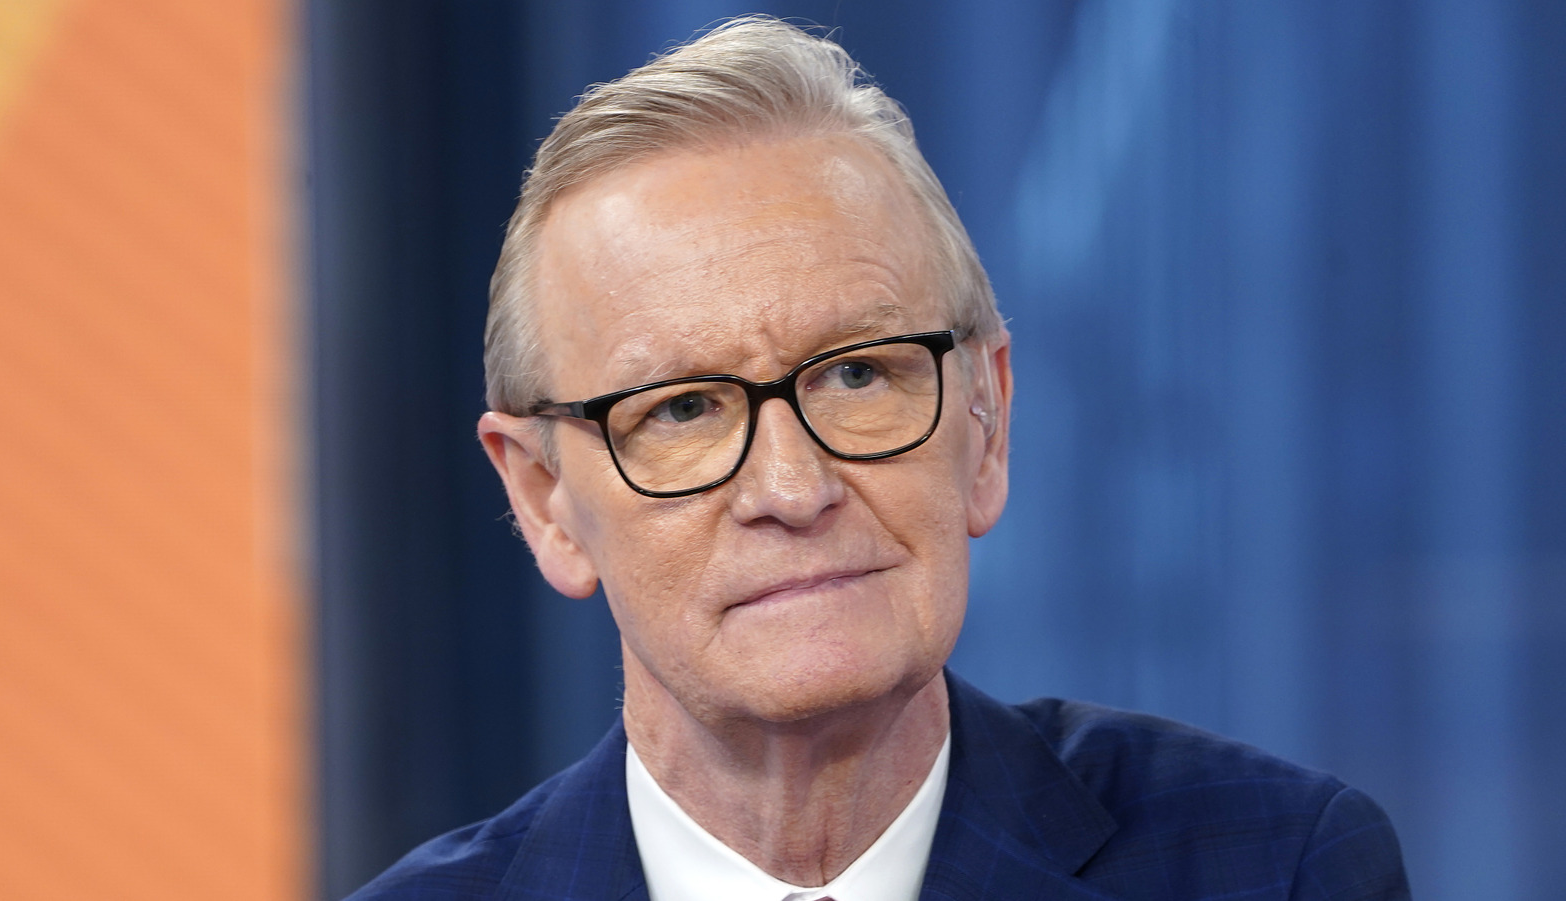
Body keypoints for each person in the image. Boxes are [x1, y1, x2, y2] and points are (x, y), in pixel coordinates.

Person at [348, 16, 1410, 901]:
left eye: (857, 375)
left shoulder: (1275, 865)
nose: (791, 488)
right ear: (544, 499)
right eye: (683, 408)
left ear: (987, 424)